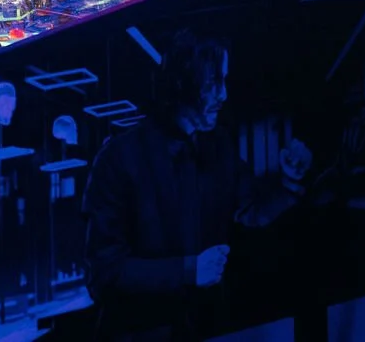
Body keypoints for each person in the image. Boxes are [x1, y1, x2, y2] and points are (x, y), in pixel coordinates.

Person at [84, 32, 312, 341]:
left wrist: (289, 181)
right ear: (181, 83)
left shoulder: (218, 146)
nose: (224, 95)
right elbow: (104, 272)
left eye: (225, 81)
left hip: (207, 328)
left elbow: (252, 209)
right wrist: (189, 270)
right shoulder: (119, 158)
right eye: (213, 83)